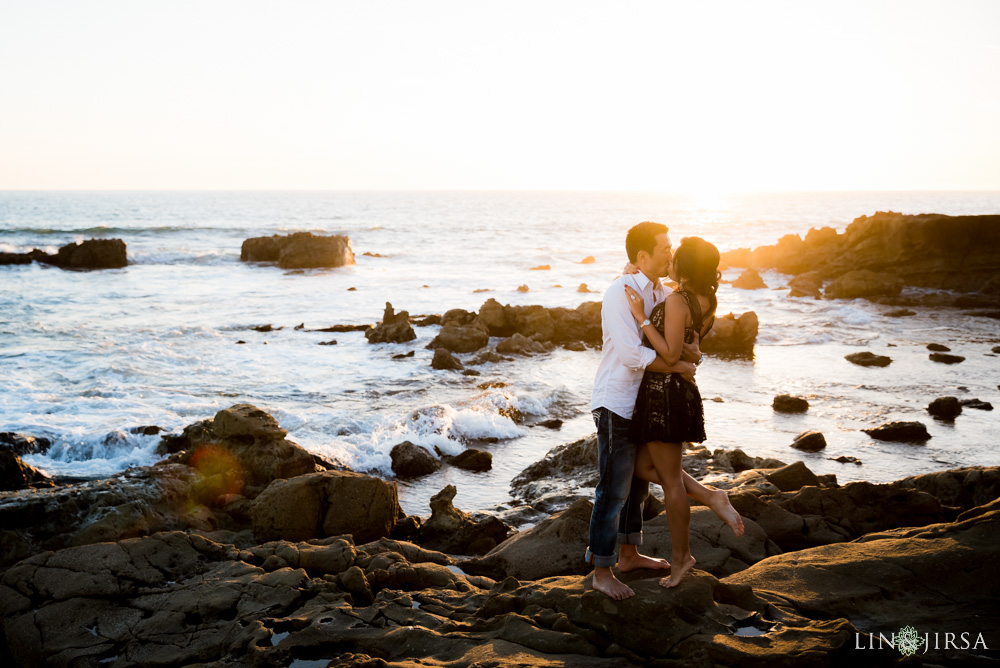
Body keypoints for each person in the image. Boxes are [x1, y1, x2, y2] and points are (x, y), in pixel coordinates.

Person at [587, 222, 712, 601]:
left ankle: (628, 556)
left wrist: (691, 353)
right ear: (642, 256)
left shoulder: (659, 291)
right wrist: (676, 366)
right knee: (613, 488)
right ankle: (602, 571)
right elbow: (630, 354)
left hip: (642, 402)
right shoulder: (618, 292)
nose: (670, 254)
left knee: (636, 488)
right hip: (616, 401)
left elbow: (674, 338)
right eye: (664, 248)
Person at [623, 236, 742, 589]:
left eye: (675, 257)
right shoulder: (704, 299)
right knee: (644, 467)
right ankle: (710, 496)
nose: (670, 260)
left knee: (671, 482)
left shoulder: (677, 301)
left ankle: (681, 559)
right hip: (677, 392)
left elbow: (673, 355)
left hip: (665, 395)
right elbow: (692, 352)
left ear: (686, 269)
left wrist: (642, 318)